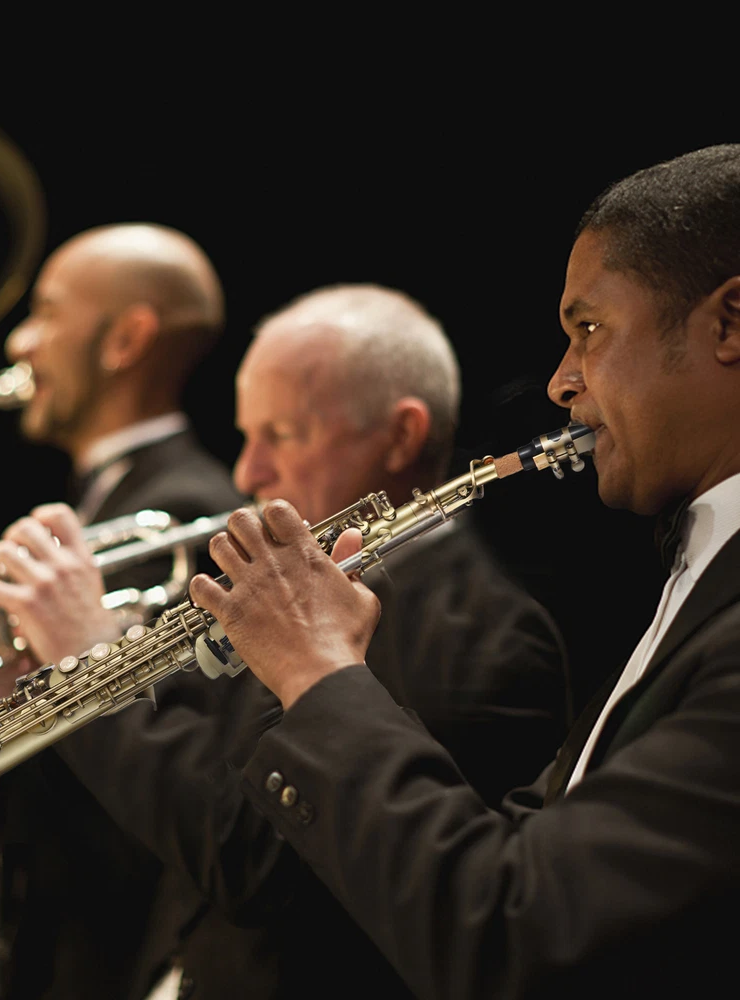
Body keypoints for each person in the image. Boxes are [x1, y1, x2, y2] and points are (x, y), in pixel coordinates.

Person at [189, 145, 740, 998]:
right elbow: (523, 852)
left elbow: (518, 937)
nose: (560, 383)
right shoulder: (697, 570)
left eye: (589, 330)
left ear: (730, 324)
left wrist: (319, 674)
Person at [0, 284, 571, 998]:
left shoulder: (487, 643)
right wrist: (41, 687)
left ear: (401, 436)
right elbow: (174, 802)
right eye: (245, 435)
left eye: (283, 434)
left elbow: (252, 863)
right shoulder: (288, 584)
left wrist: (85, 662)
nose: (246, 474)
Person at [0, 222, 243, 1000]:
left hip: (113, 948)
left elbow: (148, 797)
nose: (19, 341)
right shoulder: (105, 497)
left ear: (125, 340)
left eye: (46, 313)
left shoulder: (185, 510)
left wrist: (73, 666)